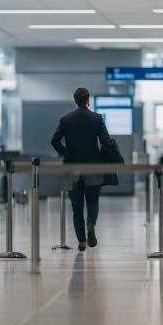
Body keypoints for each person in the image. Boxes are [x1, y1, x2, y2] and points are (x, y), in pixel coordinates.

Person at [51, 87, 114, 252]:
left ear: (74, 101)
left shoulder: (66, 119)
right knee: (93, 200)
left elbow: (54, 141)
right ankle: (91, 224)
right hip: (93, 166)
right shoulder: (97, 118)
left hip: (72, 167)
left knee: (76, 206)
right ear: (89, 101)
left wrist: (65, 153)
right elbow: (106, 142)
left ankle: (81, 241)